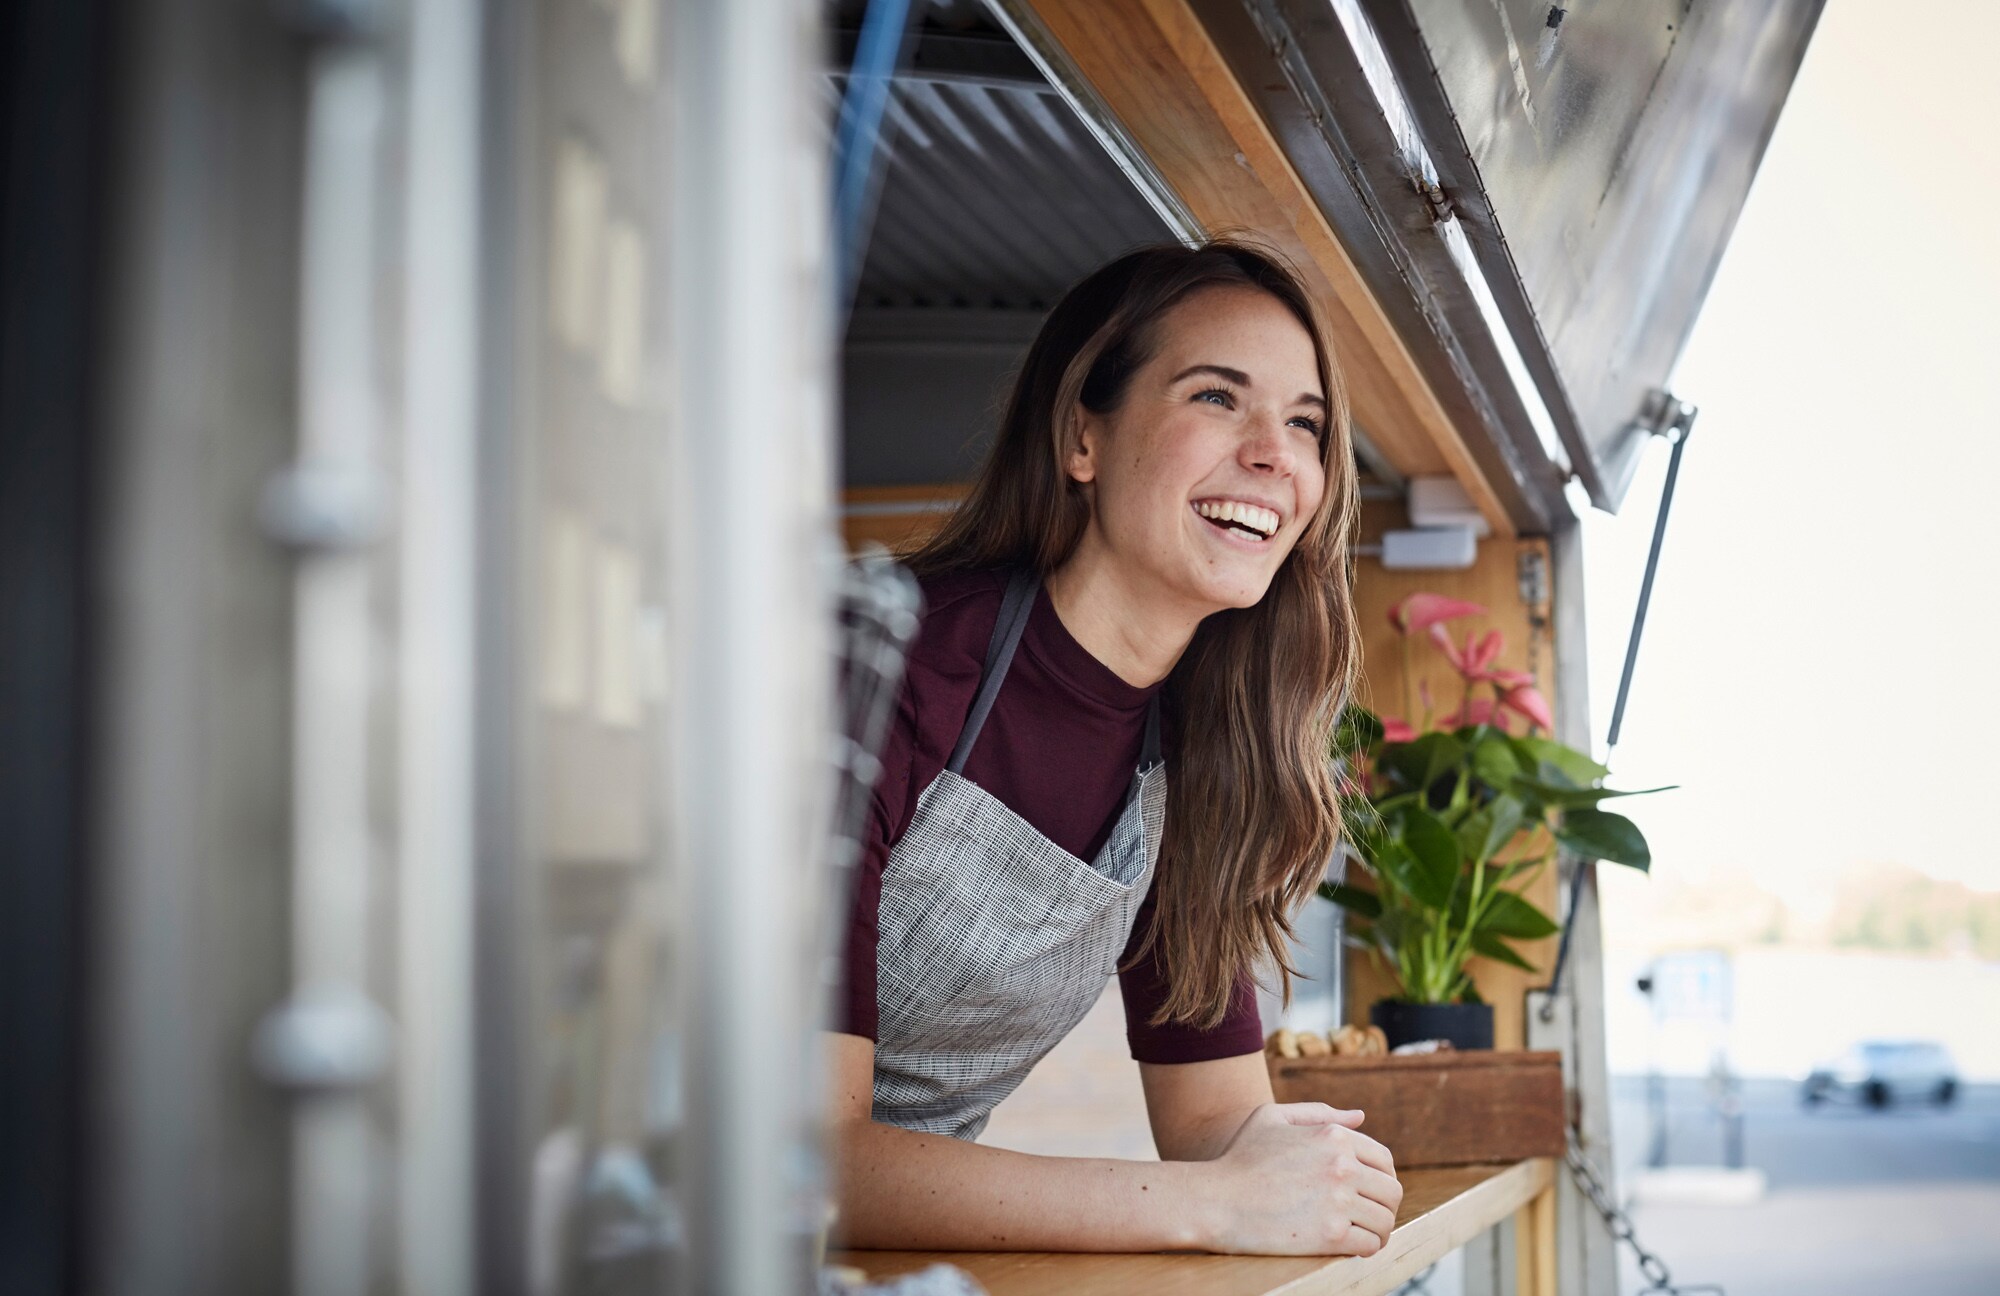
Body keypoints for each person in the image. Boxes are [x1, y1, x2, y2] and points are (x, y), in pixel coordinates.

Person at [829, 241, 1402, 1255]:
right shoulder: (875, 667)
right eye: (1217, 397)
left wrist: (1311, 1167)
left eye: (1305, 423)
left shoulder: (1201, 757)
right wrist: (1212, 1205)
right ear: (1081, 438)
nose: (1275, 454)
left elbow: (1215, 1121)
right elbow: (801, 1162)